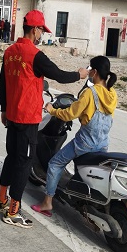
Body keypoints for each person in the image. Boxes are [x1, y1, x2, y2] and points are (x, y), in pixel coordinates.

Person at [0, 10, 89, 227]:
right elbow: (59, 75)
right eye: (41, 31)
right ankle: (13, 212)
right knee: (24, 163)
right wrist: (79, 74)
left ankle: (1, 200)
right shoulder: (34, 55)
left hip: (12, 116)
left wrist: (4, 109)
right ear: (35, 29)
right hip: (27, 119)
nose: (41, 35)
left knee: (11, 157)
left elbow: (2, 84)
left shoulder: (10, 52)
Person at [33, 55, 117, 217]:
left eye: (90, 68)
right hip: (102, 143)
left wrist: (52, 110)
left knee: (55, 164)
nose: (89, 71)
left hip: (85, 143)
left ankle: (47, 202)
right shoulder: (112, 93)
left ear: (94, 72)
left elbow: (70, 114)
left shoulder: (90, 93)